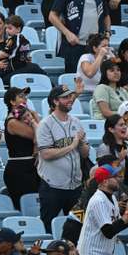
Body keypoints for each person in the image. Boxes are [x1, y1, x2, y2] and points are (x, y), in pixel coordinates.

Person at [77, 164, 128, 255]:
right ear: (105, 181)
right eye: (115, 176)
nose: (119, 179)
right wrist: (127, 215)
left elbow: (116, 226)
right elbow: (108, 231)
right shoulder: (98, 200)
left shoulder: (112, 199)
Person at [48, 0, 109, 74]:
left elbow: (106, 15)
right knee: (74, 81)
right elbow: (52, 16)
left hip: (95, 47)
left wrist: (107, 33)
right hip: (74, 46)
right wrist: (67, 33)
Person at [36, 85, 85, 231]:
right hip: (52, 187)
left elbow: (85, 154)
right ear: (55, 101)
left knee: (78, 226)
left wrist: (81, 144)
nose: (70, 100)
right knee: (48, 227)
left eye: (70, 96)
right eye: (65, 97)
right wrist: (72, 145)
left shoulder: (76, 122)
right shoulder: (45, 124)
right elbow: (46, 154)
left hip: (75, 187)